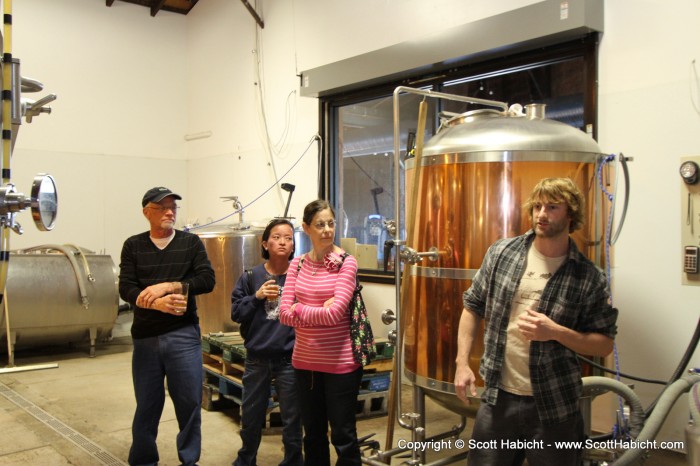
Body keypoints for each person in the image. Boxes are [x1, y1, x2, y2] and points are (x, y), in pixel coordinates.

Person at [454, 178, 618, 466]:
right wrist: (462, 363)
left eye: (552, 207)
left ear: (571, 214)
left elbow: (604, 344)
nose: (541, 214)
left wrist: (555, 332)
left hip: (553, 405)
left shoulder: (589, 276)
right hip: (498, 400)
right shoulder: (502, 253)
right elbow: (472, 307)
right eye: (537, 206)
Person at [119, 186, 215, 466]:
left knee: (188, 404)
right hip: (146, 339)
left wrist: (171, 285)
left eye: (173, 207)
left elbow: (207, 279)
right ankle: (143, 460)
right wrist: (154, 303)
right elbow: (126, 287)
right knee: (147, 405)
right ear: (146, 211)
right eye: (162, 207)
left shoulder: (190, 243)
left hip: (183, 335)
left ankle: (189, 460)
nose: (169, 212)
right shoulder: (133, 245)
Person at [279, 200, 363, 466]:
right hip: (305, 364)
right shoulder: (297, 265)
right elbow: (283, 314)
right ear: (306, 228)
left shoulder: (346, 263)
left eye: (330, 223)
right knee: (313, 435)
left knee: (343, 436)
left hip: (340, 364)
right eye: (320, 225)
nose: (327, 230)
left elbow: (335, 313)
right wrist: (313, 309)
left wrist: (299, 309)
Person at [231, 218, 303, 466]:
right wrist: (257, 296)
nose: (283, 242)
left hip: (290, 359)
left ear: (293, 246)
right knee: (251, 414)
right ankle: (246, 460)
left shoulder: (300, 275)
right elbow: (236, 313)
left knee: (293, 417)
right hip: (257, 358)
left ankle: (294, 461)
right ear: (265, 243)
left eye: (288, 238)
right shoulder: (251, 276)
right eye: (276, 237)